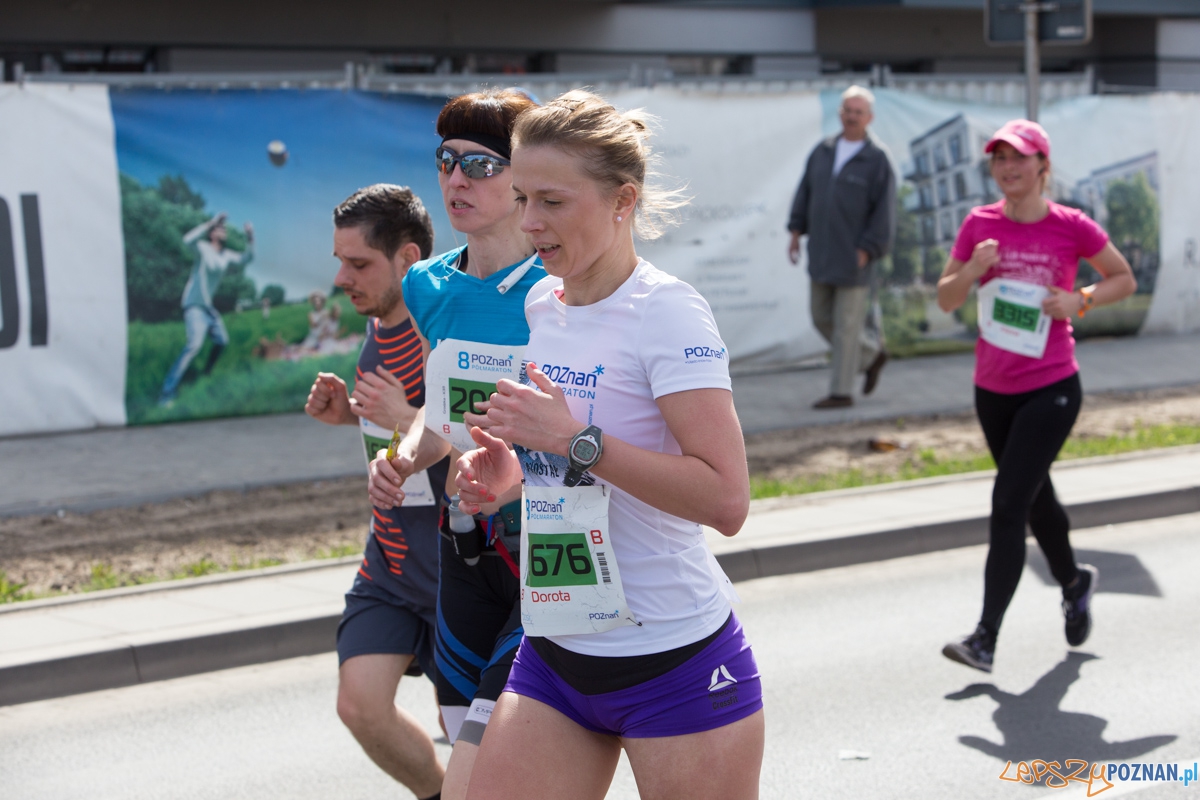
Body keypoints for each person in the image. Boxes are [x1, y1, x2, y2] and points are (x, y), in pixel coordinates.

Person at [452, 89, 763, 799]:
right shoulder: (541, 303)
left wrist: (575, 442)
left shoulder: (667, 312)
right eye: (523, 196)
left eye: (553, 202)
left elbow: (726, 498)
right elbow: (564, 462)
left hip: (673, 661)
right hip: (557, 647)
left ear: (623, 202)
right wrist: (511, 470)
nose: (530, 222)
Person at [367, 88, 544, 800]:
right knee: (471, 749)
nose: (456, 179)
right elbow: (443, 415)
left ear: (524, 176)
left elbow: (593, 426)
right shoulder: (426, 288)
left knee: (485, 769)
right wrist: (406, 452)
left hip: (548, 546)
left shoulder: (558, 290)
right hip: (463, 546)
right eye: (446, 160)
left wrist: (519, 478)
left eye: (480, 163)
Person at [937, 119, 1136, 673]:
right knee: (1033, 496)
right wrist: (974, 268)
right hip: (992, 389)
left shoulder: (1071, 226)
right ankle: (1074, 582)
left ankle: (984, 639)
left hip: (1051, 385)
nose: (1008, 168)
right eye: (999, 159)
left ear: (1043, 167)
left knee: (1008, 504)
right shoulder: (979, 224)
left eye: (1019, 159)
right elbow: (946, 299)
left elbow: (1123, 278)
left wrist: (1082, 299)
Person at [305, 184, 446, 800]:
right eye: (339, 261)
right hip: (389, 564)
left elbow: (471, 435)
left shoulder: (442, 331)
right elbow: (388, 433)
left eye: (358, 263)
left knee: (475, 738)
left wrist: (405, 414)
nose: (342, 277)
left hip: (455, 570)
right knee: (360, 706)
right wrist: (349, 416)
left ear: (407, 260)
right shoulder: (377, 329)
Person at [787, 85, 895, 409]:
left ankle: (841, 392)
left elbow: (884, 211)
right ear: (840, 114)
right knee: (821, 316)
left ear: (869, 117)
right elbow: (805, 192)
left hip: (855, 257)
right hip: (821, 252)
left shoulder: (877, 160)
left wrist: (869, 248)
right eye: (847, 110)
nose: (852, 116)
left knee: (847, 327)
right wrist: (795, 231)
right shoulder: (823, 151)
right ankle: (871, 356)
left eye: (858, 112)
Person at [159, 212, 254, 406]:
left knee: (222, 341)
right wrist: (210, 222)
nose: (224, 230)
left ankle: (207, 372)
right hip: (194, 306)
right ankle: (166, 394)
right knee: (194, 346)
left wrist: (250, 238)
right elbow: (186, 240)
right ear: (212, 233)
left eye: (224, 228)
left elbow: (247, 258)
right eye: (220, 228)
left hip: (208, 308)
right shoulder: (202, 248)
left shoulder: (226, 255)